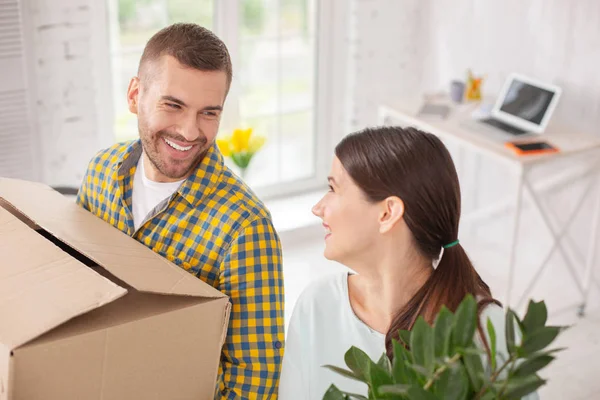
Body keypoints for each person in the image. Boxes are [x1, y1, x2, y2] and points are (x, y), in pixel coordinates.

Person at [76, 23, 284, 399]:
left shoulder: (245, 226)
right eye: (173, 105)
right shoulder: (101, 172)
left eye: (209, 113)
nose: (190, 131)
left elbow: (254, 377)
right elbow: (78, 284)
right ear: (135, 94)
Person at [279, 126, 535, 399]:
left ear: (387, 213)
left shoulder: (489, 332)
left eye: (333, 189)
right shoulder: (317, 305)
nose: (318, 207)